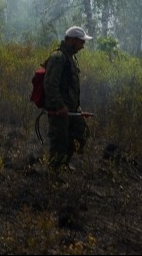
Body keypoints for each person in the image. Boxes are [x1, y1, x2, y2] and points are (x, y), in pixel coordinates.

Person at [44, 25, 92, 172]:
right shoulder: (58, 58)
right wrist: (59, 106)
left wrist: (75, 107)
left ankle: (64, 162)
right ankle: (54, 174)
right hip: (59, 109)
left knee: (81, 132)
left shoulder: (70, 58)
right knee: (59, 141)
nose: (83, 46)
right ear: (71, 40)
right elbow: (50, 85)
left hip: (71, 109)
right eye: (81, 42)